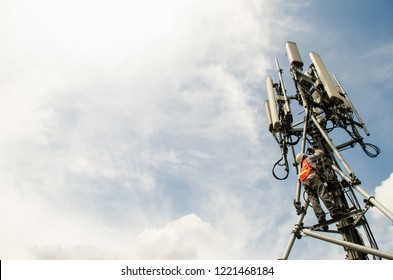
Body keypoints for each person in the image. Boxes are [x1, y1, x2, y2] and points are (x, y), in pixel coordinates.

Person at [296, 147, 343, 229]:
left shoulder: (301, 168)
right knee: (322, 193)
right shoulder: (308, 159)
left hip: (304, 183)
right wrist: (314, 150)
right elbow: (321, 153)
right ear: (303, 156)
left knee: (314, 200)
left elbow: (299, 180)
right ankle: (333, 210)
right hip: (312, 178)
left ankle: (321, 217)